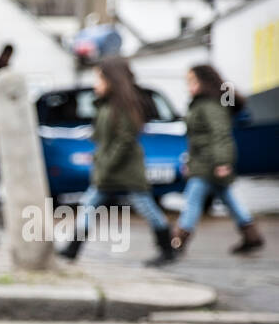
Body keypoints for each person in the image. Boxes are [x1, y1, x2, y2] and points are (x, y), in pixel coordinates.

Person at [57, 57, 175, 266]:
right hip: (107, 170)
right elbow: (103, 135)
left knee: (146, 207)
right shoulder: (106, 105)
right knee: (88, 205)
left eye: (99, 79)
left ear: (112, 80)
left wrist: (107, 164)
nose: (96, 84)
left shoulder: (124, 106)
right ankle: (72, 249)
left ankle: (167, 249)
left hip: (125, 171)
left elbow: (125, 140)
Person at [172, 64, 265, 257]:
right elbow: (197, 138)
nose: (189, 86)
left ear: (204, 82)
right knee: (227, 197)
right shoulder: (201, 103)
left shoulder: (211, 105)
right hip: (204, 161)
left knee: (192, 200)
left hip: (210, 162)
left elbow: (221, 134)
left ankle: (178, 241)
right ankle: (251, 235)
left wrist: (222, 162)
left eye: (192, 81)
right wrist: (190, 163)